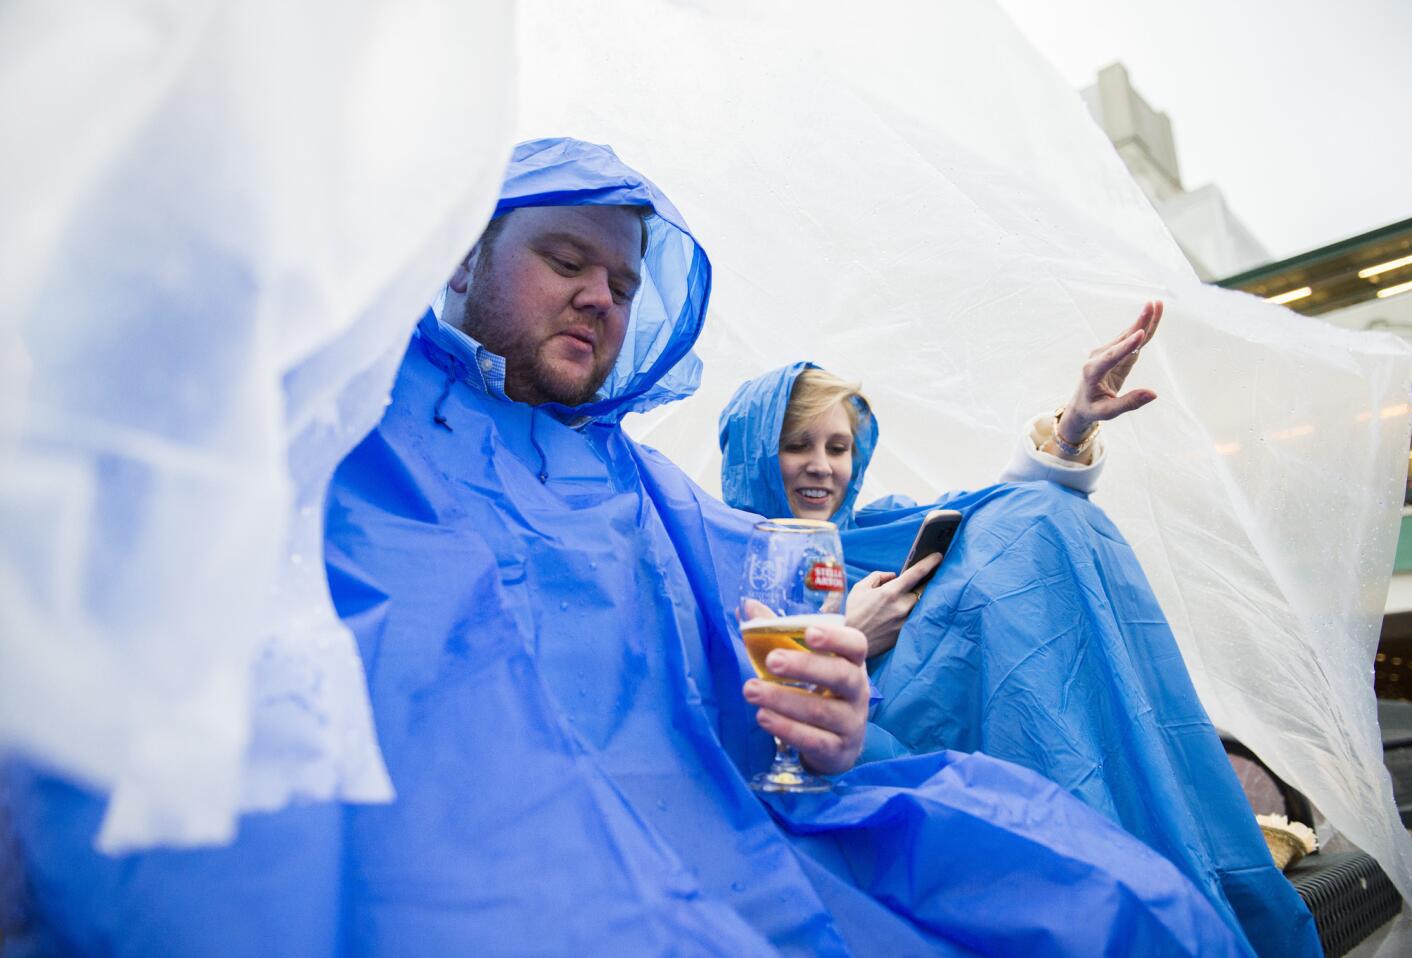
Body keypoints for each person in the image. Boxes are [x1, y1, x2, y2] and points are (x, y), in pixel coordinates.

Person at [4, 139, 1255, 957]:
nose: (603, 295)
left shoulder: (651, 488)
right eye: (565, 258)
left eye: (625, 275)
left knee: (1113, 901)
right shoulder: (345, 416)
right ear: (463, 259)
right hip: (472, 879)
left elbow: (799, 653)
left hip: (738, 847)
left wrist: (827, 710)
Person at [717, 360, 1323, 958]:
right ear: (755, 455)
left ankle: (1114, 853)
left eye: (839, 445)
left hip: (962, 731)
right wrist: (853, 635)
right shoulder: (715, 555)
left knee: (1045, 520)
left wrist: (1072, 429)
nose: (822, 465)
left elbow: (1000, 506)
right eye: (798, 445)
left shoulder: (884, 524)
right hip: (850, 765)